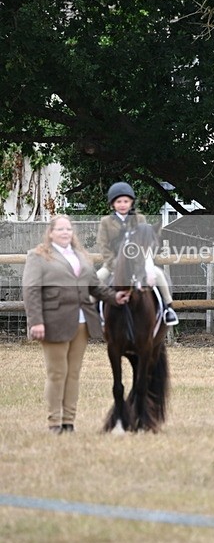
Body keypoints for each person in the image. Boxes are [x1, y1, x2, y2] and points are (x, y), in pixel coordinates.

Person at [22, 215, 130, 434]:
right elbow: (31, 290)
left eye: (68, 229)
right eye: (60, 229)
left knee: (74, 374)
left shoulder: (81, 257)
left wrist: (114, 297)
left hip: (82, 323)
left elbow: (95, 287)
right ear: (50, 232)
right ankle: (54, 422)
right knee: (57, 373)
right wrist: (36, 321)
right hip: (53, 322)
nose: (65, 232)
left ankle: (69, 422)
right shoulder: (38, 256)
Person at [96, 182, 179, 326]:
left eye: (126, 201)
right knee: (96, 279)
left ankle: (168, 308)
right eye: (119, 201)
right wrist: (114, 264)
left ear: (131, 203)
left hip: (138, 263)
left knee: (159, 275)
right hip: (112, 263)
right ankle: (94, 313)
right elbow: (103, 246)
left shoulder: (139, 219)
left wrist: (144, 261)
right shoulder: (106, 222)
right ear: (112, 204)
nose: (122, 204)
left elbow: (145, 240)